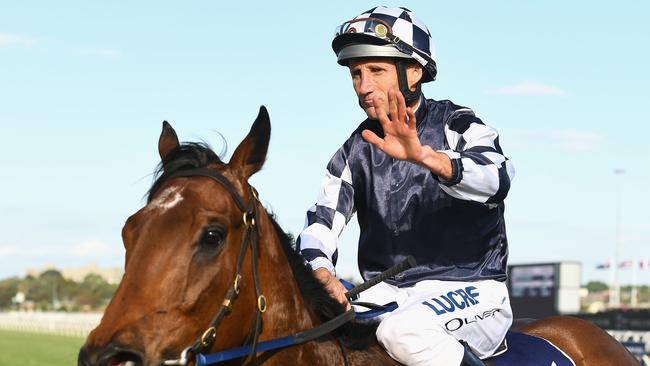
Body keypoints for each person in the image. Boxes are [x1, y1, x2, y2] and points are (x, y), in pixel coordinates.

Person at [296, 6, 515, 366]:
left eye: (376, 71)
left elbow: (497, 178)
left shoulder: (457, 123)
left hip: (472, 289)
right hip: (387, 294)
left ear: (413, 72)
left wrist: (427, 158)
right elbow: (320, 222)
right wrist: (321, 271)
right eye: (356, 74)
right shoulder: (355, 149)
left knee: (404, 332)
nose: (363, 86)